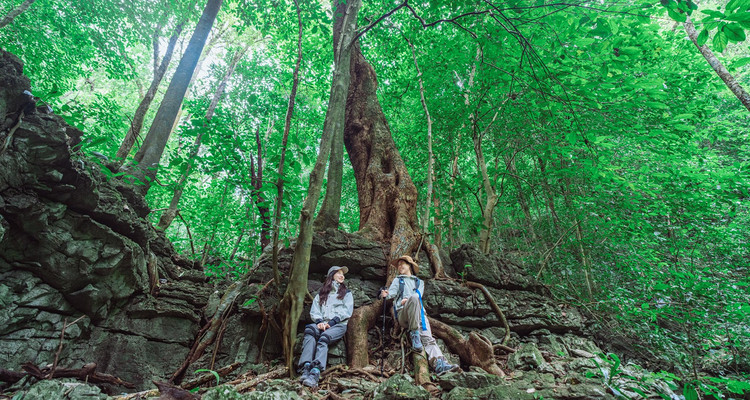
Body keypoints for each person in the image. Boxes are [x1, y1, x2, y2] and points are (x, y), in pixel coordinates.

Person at [380, 255, 457, 375]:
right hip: (404, 315)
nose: (400, 266)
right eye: (398, 265)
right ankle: (414, 332)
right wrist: (384, 294)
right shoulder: (397, 280)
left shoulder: (419, 282)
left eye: (402, 264)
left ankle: (439, 364)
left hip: (420, 314)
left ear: (409, 266)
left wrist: (409, 299)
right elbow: (390, 294)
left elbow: (418, 295)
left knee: (429, 339)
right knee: (414, 298)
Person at [298, 266, 354, 388]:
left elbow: (347, 311)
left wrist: (332, 322)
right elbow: (315, 310)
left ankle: (315, 373)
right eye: (339, 273)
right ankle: (306, 367)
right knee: (309, 331)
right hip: (322, 324)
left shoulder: (347, 293)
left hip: (338, 325)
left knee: (324, 338)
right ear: (331, 275)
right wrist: (319, 322)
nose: (342, 276)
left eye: (343, 274)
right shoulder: (322, 294)